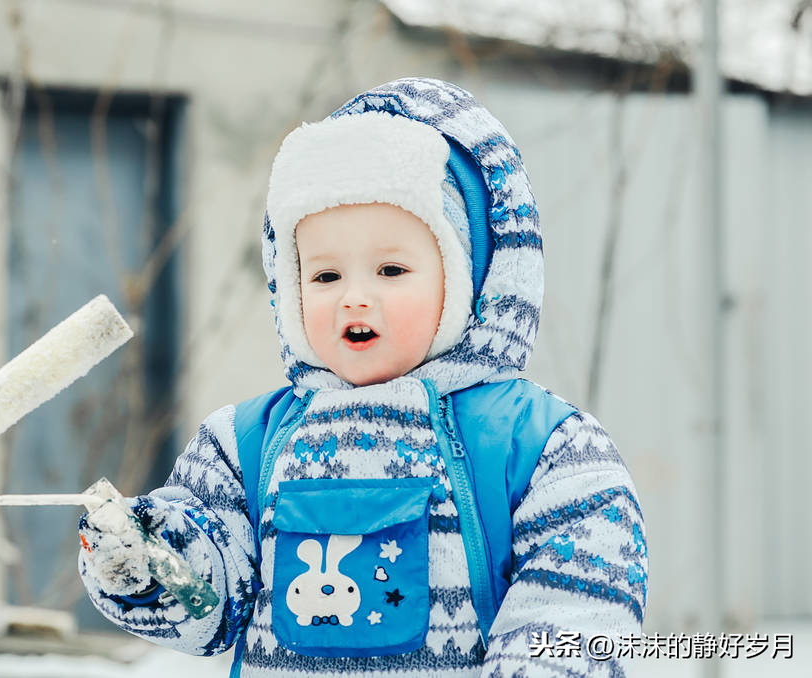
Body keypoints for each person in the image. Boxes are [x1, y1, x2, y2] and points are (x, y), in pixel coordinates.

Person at [78, 77, 647, 676]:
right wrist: (151, 566)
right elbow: (209, 606)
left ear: (470, 281)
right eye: (325, 276)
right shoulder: (243, 446)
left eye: (391, 269)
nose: (354, 298)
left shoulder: (540, 448)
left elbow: (578, 617)